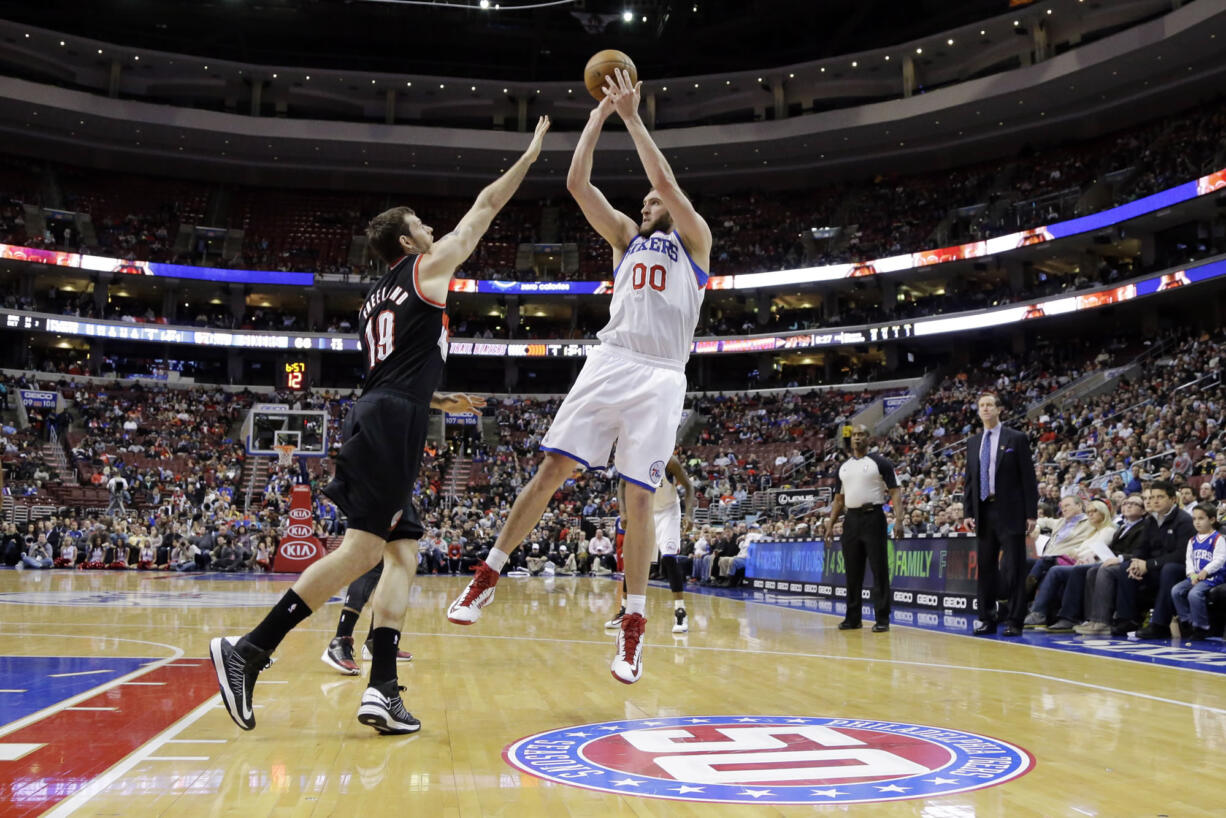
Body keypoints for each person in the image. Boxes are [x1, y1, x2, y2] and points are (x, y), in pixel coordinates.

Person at [209, 115, 551, 734]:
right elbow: (485, 206)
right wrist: (529, 155)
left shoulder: (377, 295)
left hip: (384, 412)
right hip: (392, 420)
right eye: (422, 224)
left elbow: (396, 368)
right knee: (363, 549)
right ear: (408, 241)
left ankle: (382, 688)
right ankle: (249, 652)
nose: (431, 228)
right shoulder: (426, 269)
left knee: (404, 553)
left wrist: (440, 405)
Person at [447, 68, 711, 685]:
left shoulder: (695, 242)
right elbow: (576, 182)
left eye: (655, 202)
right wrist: (599, 113)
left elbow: (666, 181)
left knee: (639, 498)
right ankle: (487, 575)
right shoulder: (625, 238)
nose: (649, 205)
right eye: (644, 203)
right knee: (551, 469)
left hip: (663, 377)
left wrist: (633, 115)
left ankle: (634, 624)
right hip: (612, 360)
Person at [963, 392, 1039, 637]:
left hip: (1012, 511)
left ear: (998, 409)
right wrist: (968, 511)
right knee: (985, 568)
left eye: (989, 405)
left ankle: (1016, 620)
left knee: (1015, 568)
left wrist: (1031, 513)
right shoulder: (974, 442)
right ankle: (986, 617)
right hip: (984, 511)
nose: (985, 409)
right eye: (981, 405)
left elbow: (1028, 478)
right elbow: (970, 481)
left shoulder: (1016, 438)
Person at [824, 425, 902, 633]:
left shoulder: (880, 462)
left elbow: (895, 492)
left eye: (861, 435)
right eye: (854, 435)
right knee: (852, 572)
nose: (857, 438)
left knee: (879, 570)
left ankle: (882, 618)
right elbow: (838, 499)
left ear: (869, 438)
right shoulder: (843, 467)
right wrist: (830, 525)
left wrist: (900, 520)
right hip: (851, 520)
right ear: (850, 440)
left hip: (873, 517)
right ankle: (853, 618)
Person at [652, 454, 696, 633]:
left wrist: (689, 514)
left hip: (669, 511)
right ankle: (626, 610)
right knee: (637, 561)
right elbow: (623, 485)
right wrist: (624, 511)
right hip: (648, 511)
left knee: (669, 559)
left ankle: (680, 611)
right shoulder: (637, 456)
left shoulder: (670, 461)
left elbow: (688, 486)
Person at [1170, 503, 1226, 640]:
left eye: (1201, 518)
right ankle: (1187, 621)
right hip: (1196, 576)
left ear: (1212, 520)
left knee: (1194, 594)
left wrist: (1205, 571)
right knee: (1176, 590)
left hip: (1214, 576)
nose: (1197, 522)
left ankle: (1202, 627)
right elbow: (1189, 560)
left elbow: (1220, 559)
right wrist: (1191, 574)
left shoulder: (1218, 538)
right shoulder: (1192, 540)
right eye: (1194, 519)